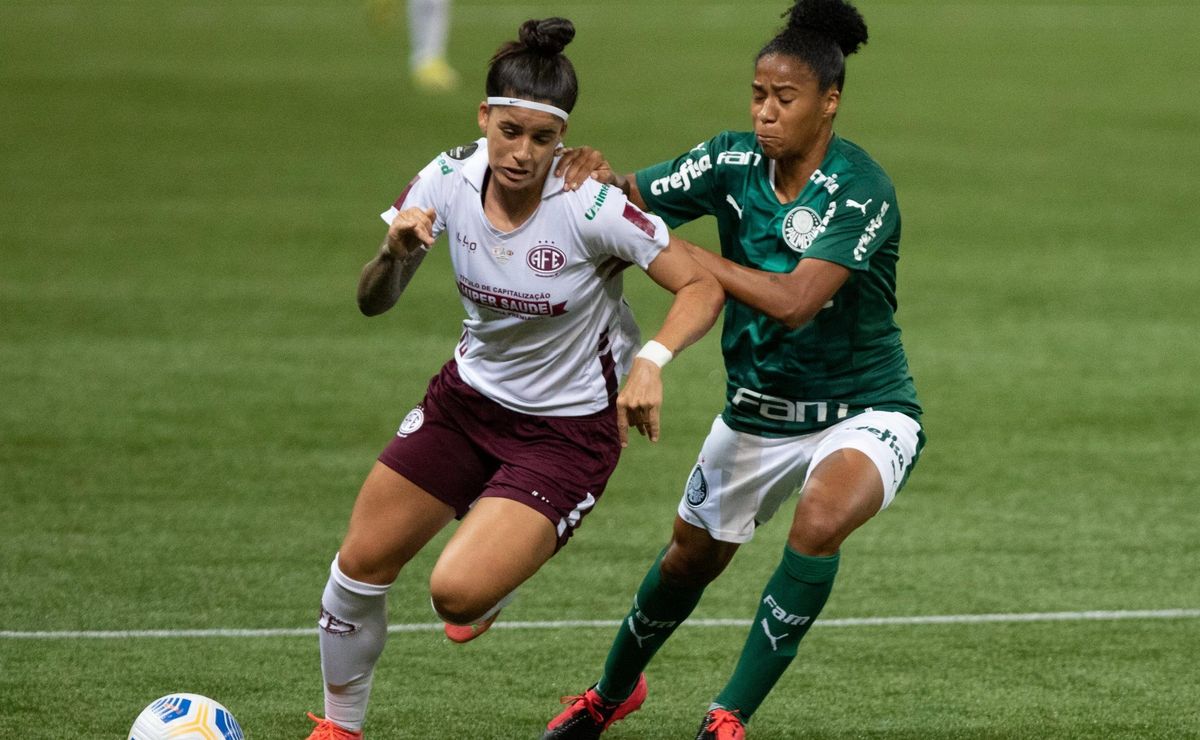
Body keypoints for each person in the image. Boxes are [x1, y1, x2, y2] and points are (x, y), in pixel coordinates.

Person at [304, 17, 724, 740]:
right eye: (509, 131)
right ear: (483, 118)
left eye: (542, 137)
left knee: (455, 596)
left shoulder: (590, 205)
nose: (522, 153)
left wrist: (651, 361)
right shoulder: (446, 179)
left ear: (564, 138)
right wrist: (392, 252)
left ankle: (496, 568)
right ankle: (339, 731)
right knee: (356, 568)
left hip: (566, 434)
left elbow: (701, 285)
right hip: (466, 404)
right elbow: (373, 302)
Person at [540, 1, 925, 738]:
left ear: (829, 102)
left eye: (785, 99)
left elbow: (794, 301)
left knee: (819, 520)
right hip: (755, 411)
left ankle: (728, 715)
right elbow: (627, 201)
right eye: (758, 95)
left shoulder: (860, 189)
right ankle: (609, 694)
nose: (765, 113)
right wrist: (594, 177)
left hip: (864, 409)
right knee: (687, 561)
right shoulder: (730, 162)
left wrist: (684, 257)